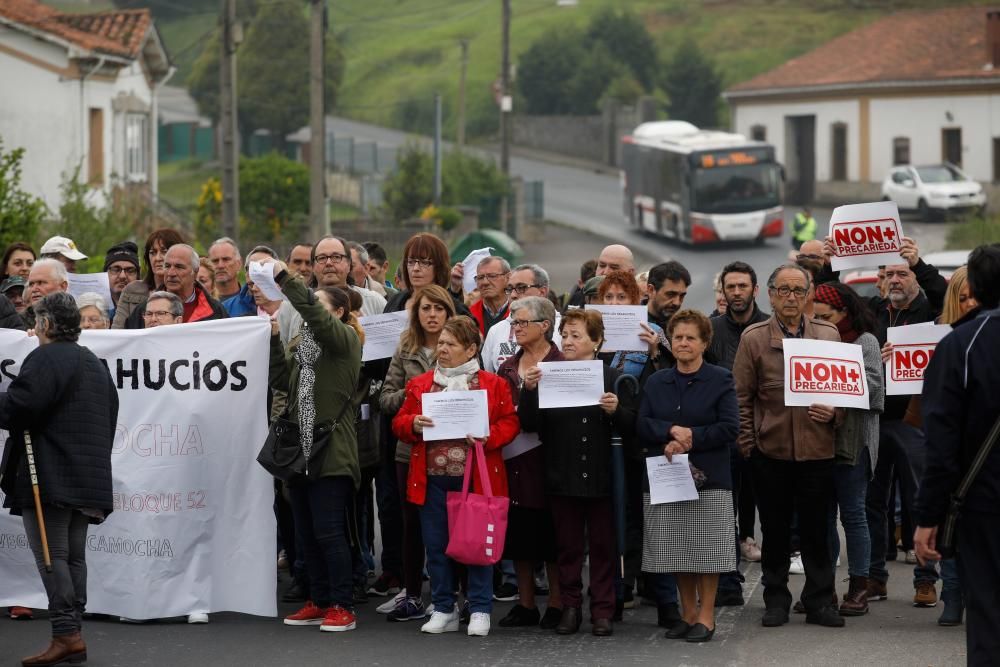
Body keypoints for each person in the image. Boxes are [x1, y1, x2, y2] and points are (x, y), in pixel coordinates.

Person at [0, 291, 118, 666]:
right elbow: (110, 414)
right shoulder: (93, 362)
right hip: (87, 477)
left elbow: (20, 407)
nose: (33, 331)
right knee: (73, 558)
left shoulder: (45, 357)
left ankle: (66, 635)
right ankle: (73, 633)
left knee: (53, 557)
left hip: (49, 476)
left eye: (36, 322)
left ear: (48, 324)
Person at [392, 316, 519, 638]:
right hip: (431, 478)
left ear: (471, 349)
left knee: (476, 545)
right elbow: (399, 422)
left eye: (451, 344)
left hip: (475, 478)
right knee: (436, 547)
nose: (443, 349)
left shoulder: (493, 384)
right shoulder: (420, 384)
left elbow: (510, 422)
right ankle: (444, 607)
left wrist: (488, 436)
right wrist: (413, 424)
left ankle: (478, 608)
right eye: (441, 343)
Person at [732, 263, 844, 629]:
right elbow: (741, 398)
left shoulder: (828, 335)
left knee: (817, 531)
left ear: (809, 295)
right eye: (784, 290)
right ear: (770, 294)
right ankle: (776, 600)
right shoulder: (754, 338)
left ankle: (819, 601)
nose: (791, 298)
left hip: (817, 451)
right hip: (771, 451)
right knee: (776, 531)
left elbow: (846, 392)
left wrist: (836, 413)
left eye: (798, 291)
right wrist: (749, 445)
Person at [518, 305, 637, 636]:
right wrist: (528, 391)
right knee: (567, 547)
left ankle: (602, 608)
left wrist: (616, 411)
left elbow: (634, 426)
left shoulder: (613, 378)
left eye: (576, 336)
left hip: (601, 477)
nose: (568, 342)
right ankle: (570, 607)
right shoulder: (547, 375)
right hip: (561, 474)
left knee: (603, 547)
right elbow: (529, 424)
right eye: (564, 335)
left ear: (596, 341)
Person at [913, 244, 1000, 665]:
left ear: (977, 288)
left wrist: (928, 517)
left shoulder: (960, 345)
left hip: (985, 506)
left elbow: (940, 443)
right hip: (985, 501)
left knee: (987, 615)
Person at [269, 260, 363, 633]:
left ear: (338, 312)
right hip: (300, 451)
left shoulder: (345, 340)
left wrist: (285, 280)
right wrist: (274, 340)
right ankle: (319, 599)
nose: (310, 314)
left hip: (332, 451)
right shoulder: (304, 348)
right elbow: (280, 380)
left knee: (329, 533)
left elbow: (316, 318)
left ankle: (342, 604)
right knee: (305, 535)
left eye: (318, 306)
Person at [638, 309, 739, 643]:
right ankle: (687, 614)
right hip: (668, 476)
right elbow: (642, 424)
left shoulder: (720, 378)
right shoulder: (656, 380)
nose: (683, 343)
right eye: (678, 337)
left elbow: (729, 428)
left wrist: (692, 438)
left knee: (706, 552)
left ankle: (707, 618)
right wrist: (669, 430)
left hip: (709, 477)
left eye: (690, 338)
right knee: (679, 549)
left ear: (704, 342)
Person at [378, 285, 457, 621]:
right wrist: (416, 394)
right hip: (410, 450)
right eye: (426, 308)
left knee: (452, 525)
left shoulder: (462, 345)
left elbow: (478, 392)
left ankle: (451, 597)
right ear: (417, 313)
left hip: (452, 451)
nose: (432, 314)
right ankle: (411, 595)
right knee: (413, 526)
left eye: (439, 308)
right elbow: (385, 399)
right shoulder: (406, 347)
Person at [812, 282, 884, 616]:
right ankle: (823, 587)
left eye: (826, 315)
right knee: (822, 516)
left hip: (855, 443)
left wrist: (837, 403)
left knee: (853, 515)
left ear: (844, 312)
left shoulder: (865, 341)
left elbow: (873, 390)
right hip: (819, 442)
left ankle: (859, 587)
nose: (820, 320)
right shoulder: (814, 339)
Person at [494, 297, 565, 632]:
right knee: (519, 533)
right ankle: (524, 604)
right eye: (514, 323)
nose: (516, 328)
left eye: (522, 322)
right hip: (513, 461)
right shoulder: (507, 366)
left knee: (551, 536)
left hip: (548, 459)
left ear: (544, 326)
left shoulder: (562, 362)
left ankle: (556, 602)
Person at [482, 264, 561, 373]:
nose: (513, 295)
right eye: (509, 289)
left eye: (521, 288)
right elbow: (489, 378)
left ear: (542, 292)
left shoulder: (563, 328)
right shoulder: (496, 330)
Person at [124, 245, 227, 328]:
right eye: (167, 266)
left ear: (195, 273)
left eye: (179, 267)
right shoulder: (143, 310)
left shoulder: (216, 311)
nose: (171, 273)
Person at [111, 228, 186, 329]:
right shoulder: (132, 289)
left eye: (164, 251)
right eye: (153, 252)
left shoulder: (185, 290)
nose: (157, 258)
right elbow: (117, 331)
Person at [312, 235, 386, 317]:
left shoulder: (374, 301)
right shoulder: (298, 304)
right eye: (322, 258)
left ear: (348, 265)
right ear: (313, 267)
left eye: (336, 257)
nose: (328, 263)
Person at [464, 255, 511, 337]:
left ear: (508, 278)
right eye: (480, 277)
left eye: (492, 276)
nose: (485, 282)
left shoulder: (520, 314)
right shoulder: (468, 316)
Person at [23, 259, 70, 328]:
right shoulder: (17, 322)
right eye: (31, 284)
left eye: (41, 283)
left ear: (62, 286)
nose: (34, 289)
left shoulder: (81, 320)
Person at [103, 242, 140, 311]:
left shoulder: (149, 308)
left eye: (130, 270)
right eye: (116, 269)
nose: (122, 276)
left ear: (138, 276)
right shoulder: (93, 307)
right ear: (105, 274)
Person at [209, 237, 245, 304]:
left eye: (226, 259)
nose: (220, 266)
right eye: (215, 261)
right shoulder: (201, 301)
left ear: (239, 264)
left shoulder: (251, 299)